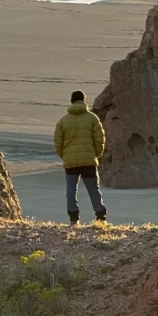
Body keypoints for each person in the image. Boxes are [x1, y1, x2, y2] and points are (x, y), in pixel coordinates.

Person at [53, 90, 107, 225]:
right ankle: (100, 216)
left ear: (71, 101)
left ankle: (73, 218)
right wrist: (96, 155)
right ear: (84, 101)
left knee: (71, 190)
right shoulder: (92, 118)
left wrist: (65, 157)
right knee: (93, 188)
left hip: (70, 162)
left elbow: (58, 143)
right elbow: (100, 139)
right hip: (89, 160)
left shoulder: (63, 121)